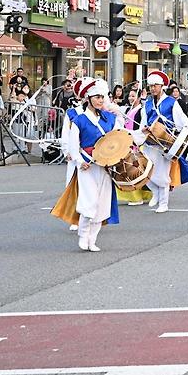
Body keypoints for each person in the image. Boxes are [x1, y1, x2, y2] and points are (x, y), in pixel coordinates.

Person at [49, 78, 132, 252]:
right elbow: (73, 144)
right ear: (89, 98)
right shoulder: (79, 120)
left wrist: (141, 133)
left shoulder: (109, 118)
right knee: (89, 202)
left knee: (102, 205)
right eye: (97, 97)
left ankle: (92, 239)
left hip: (106, 166)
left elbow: (123, 134)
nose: (101, 100)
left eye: (103, 97)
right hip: (88, 165)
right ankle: (82, 234)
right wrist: (80, 161)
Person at [136, 71, 188, 213]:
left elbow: (181, 119)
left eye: (155, 85)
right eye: (150, 86)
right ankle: (155, 192)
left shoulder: (170, 102)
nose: (153, 88)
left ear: (162, 86)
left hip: (164, 143)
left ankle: (164, 203)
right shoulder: (148, 104)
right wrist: (143, 130)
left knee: (162, 173)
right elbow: (143, 123)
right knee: (146, 171)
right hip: (150, 142)